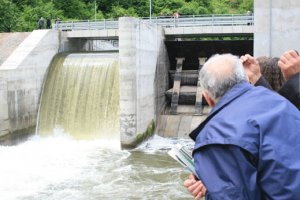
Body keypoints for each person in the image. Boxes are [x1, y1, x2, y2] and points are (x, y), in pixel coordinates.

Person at [187, 53, 300, 199]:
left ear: (208, 99)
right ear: (245, 80)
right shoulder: (282, 103)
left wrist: (213, 185)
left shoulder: (216, 136)